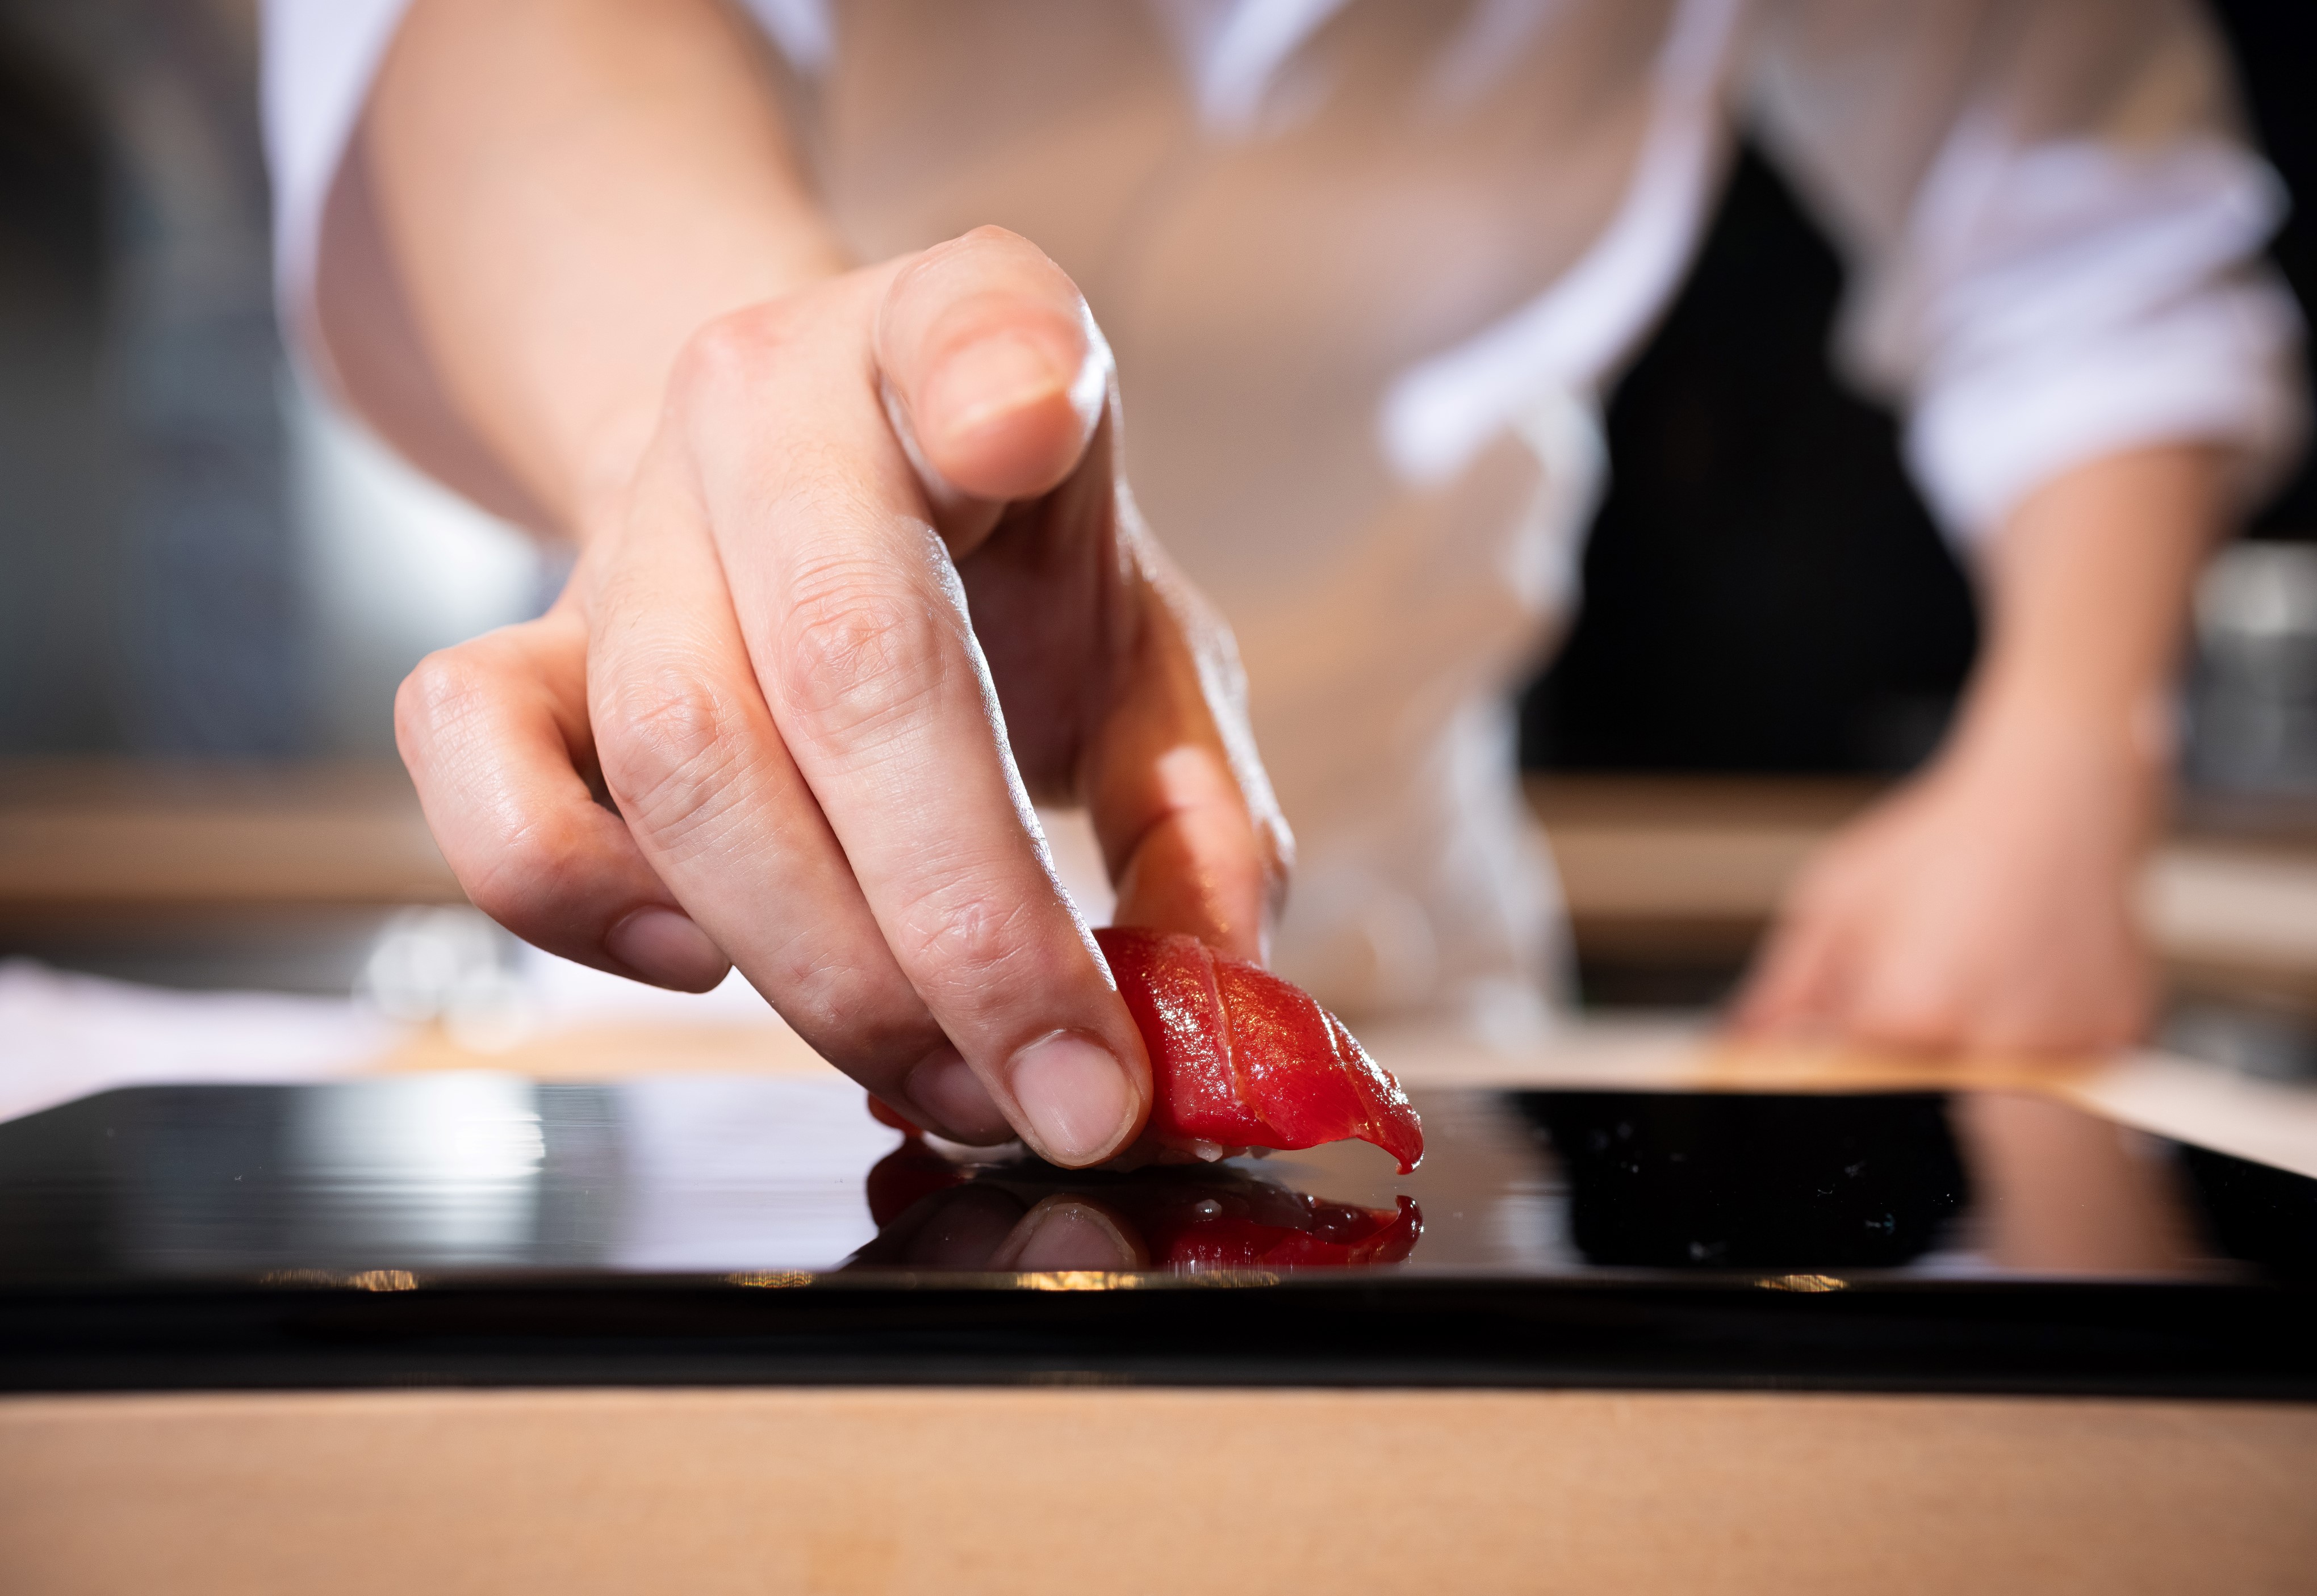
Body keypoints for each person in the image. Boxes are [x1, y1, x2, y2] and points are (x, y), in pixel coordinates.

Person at [262, 0, 2304, 1167]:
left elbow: (2087, 234)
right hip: (733, 999)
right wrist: (716, 418)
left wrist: (2065, 739)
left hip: (1404, 936)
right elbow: (495, 48)